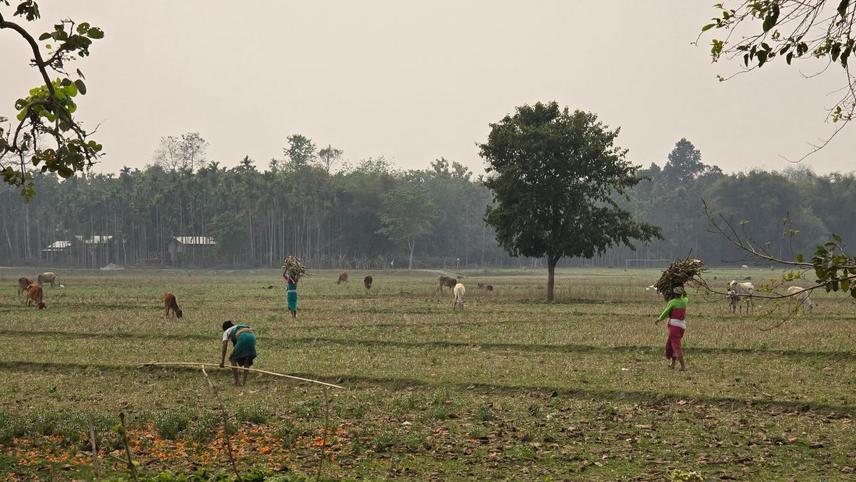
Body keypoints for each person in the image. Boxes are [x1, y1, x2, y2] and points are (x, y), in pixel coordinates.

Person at [655, 285, 688, 371]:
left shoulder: (672, 302)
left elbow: (665, 312)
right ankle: (672, 364)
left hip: (674, 327)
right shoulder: (684, 301)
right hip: (682, 327)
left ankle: (683, 366)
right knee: (671, 344)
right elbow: (686, 297)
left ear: (674, 294)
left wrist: (659, 319)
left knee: (676, 346)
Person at [219, 320, 257, 386]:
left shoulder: (226, 331)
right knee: (246, 359)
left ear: (225, 328)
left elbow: (224, 346)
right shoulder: (238, 326)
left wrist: (222, 362)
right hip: (253, 338)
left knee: (232, 359)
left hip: (242, 338)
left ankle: (237, 382)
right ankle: (244, 382)